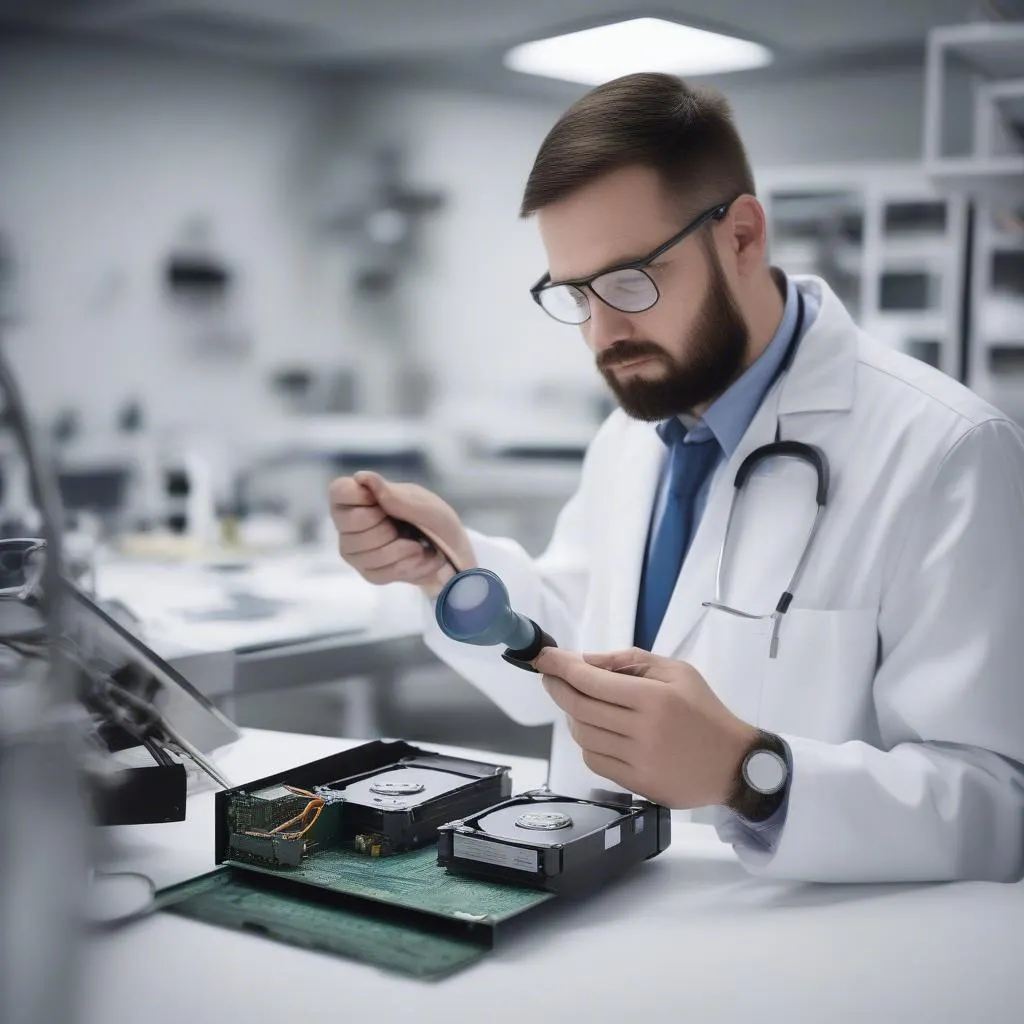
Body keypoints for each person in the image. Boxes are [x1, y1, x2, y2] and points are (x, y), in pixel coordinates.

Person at [329, 73, 1024, 884]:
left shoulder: (948, 450)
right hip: (591, 921)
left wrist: (751, 773)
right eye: (575, 293)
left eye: (630, 280)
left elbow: (1000, 803)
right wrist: (451, 568)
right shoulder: (631, 436)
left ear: (742, 237)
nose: (603, 332)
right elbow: (574, 653)